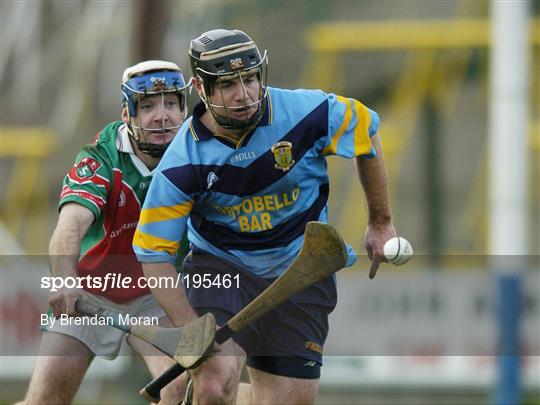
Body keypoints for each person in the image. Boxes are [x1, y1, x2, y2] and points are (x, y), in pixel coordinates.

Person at [133, 29, 396, 405]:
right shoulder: (181, 162)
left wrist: (381, 221)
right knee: (212, 383)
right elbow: (154, 254)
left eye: (251, 78)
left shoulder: (307, 114)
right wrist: (190, 328)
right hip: (222, 266)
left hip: (300, 269)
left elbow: (366, 133)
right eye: (227, 84)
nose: (245, 94)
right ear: (200, 88)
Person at [20, 60, 191, 405]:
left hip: (157, 297)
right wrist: (65, 281)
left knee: (178, 388)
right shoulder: (100, 158)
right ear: (127, 114)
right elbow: (70, 226)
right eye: (148, 106)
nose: (162, 116)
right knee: (46, 399)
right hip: (89, 296)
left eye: (171, 103)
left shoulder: (196, 152)